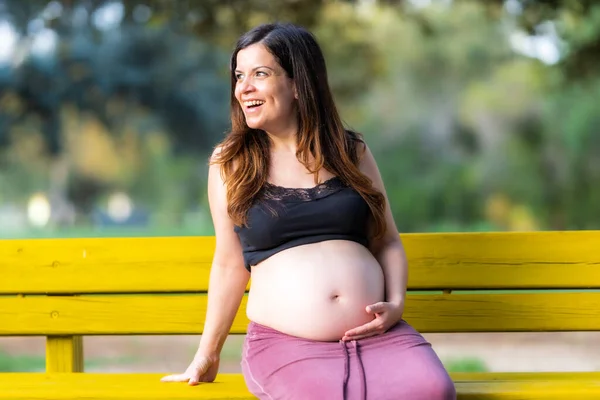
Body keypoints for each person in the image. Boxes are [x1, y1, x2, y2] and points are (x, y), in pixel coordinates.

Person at [161, 22, 456, 400]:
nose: (243, 88)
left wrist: (396, 305)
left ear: (299, 83)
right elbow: (229, 264)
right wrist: (208, 352)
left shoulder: (352, 152)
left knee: (434, 391)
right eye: (239, 76)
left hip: (377, 335)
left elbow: (387, 242)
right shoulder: (230, 162)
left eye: (260, 74)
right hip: (288, 343)